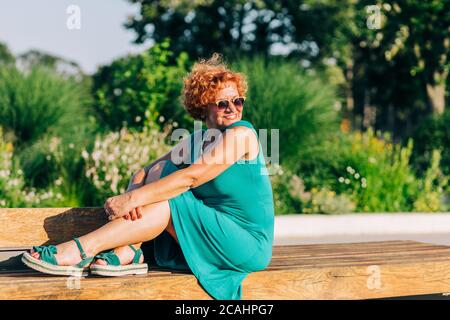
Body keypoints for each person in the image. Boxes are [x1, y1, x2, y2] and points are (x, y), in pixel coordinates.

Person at [22, 53, 274, 300]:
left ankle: (81, 249)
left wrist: (132, 199)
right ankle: (128, 250)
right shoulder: (197, 140)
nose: (233, 108)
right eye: (222, 103)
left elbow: (192, 178)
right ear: (202, 106)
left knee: (174, 197)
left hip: (246, 243)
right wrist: (133, 200)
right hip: (212, 233)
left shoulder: (242, 134)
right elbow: (143, 171)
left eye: (238, 101)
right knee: (158, 171)